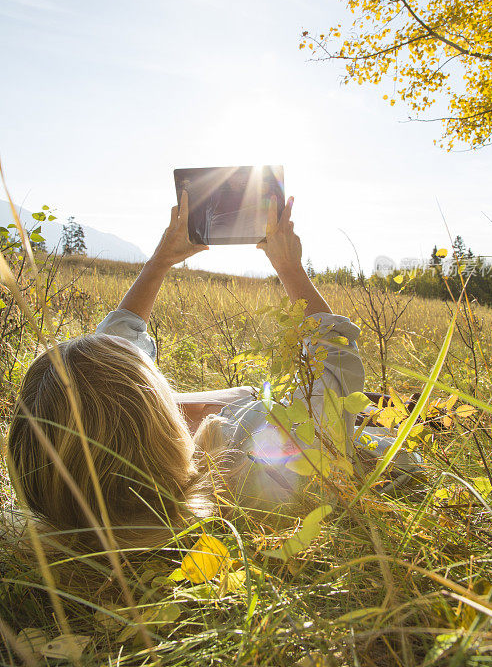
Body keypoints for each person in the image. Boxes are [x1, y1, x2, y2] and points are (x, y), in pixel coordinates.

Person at [6, 193, 394, 552]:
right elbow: (336, 362)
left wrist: (161, 261)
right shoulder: (243, 461)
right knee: (363, 409)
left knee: (204, 397)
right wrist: (289, 267)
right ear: (157, 434)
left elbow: (109, 368)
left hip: (247, 413)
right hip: (366, 439)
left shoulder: (73, 508)